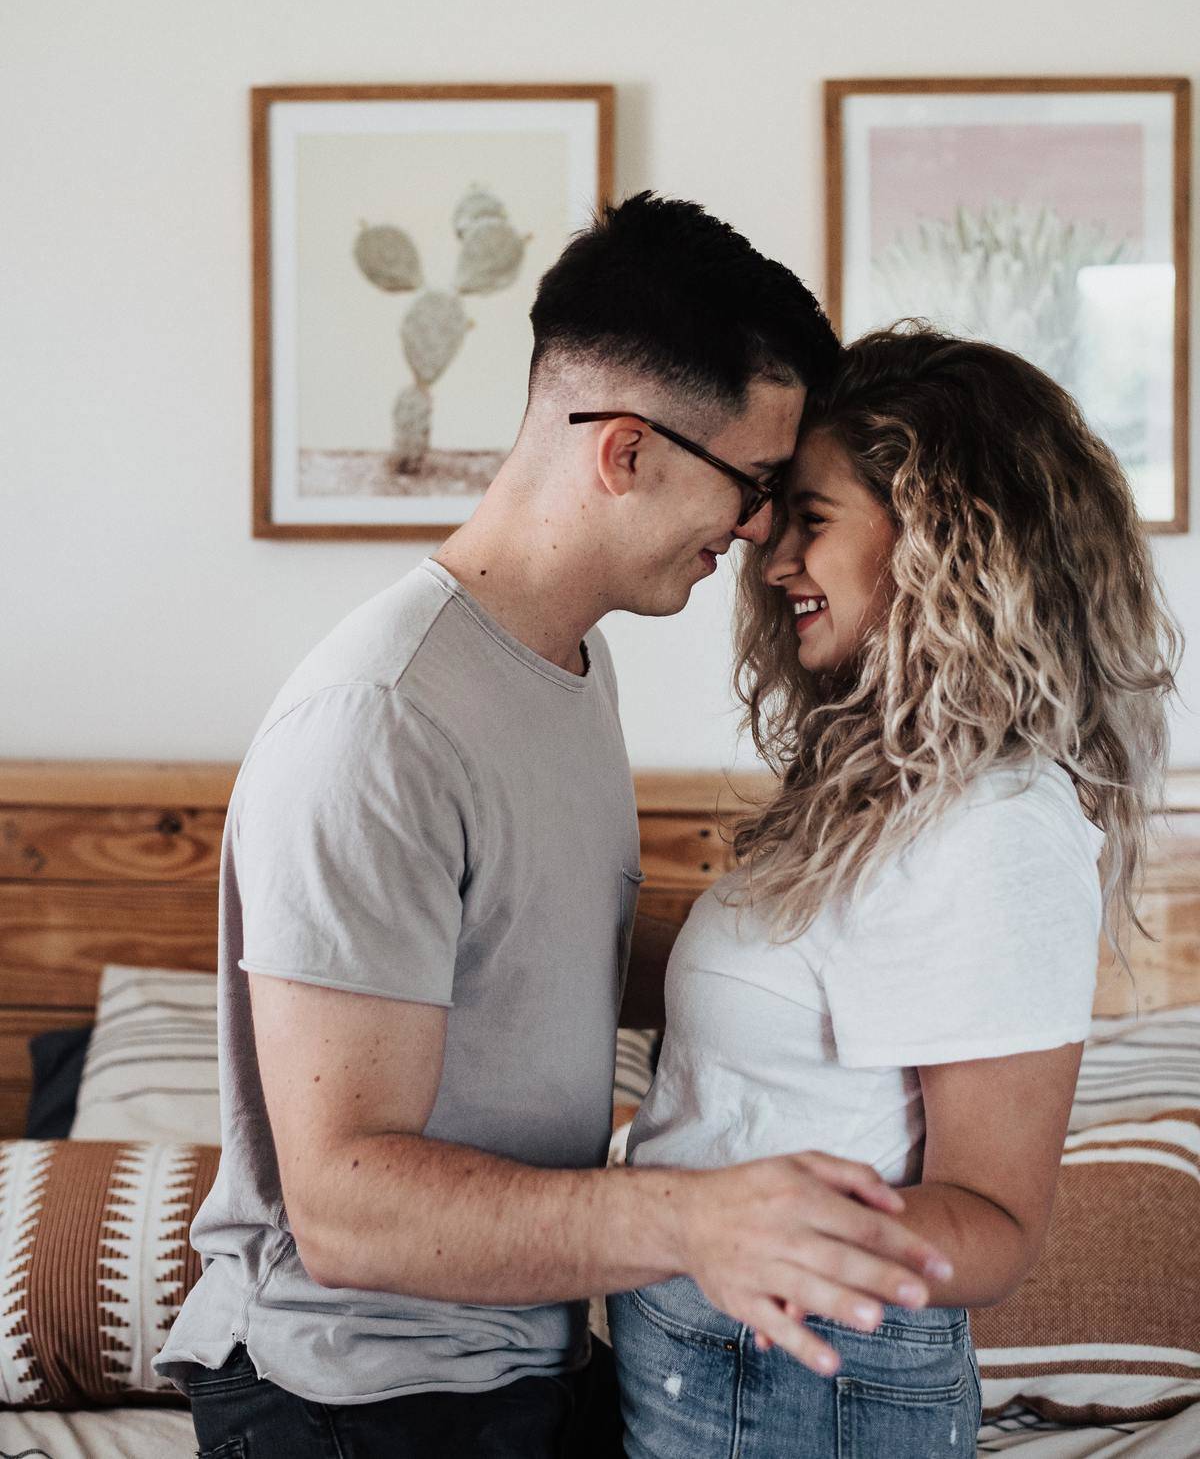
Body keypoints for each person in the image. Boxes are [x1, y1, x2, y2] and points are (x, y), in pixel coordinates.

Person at [153, 200, 956, 1457]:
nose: (755, 531)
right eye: (751, 484)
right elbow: (348, 1207)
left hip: (519, 1360)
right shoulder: (381, 721)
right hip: (353, 1400)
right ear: (626, 451)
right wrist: (695, 1221)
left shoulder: (571, 664)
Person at [608, 323, 1180, 1458]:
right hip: (708, 1354)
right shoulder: (877, 786)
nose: (773, 563)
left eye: (809, 520)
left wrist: (733, 1225)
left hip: (803, 1381)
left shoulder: (1000, 824)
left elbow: (998, 1226)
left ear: (941, 539)